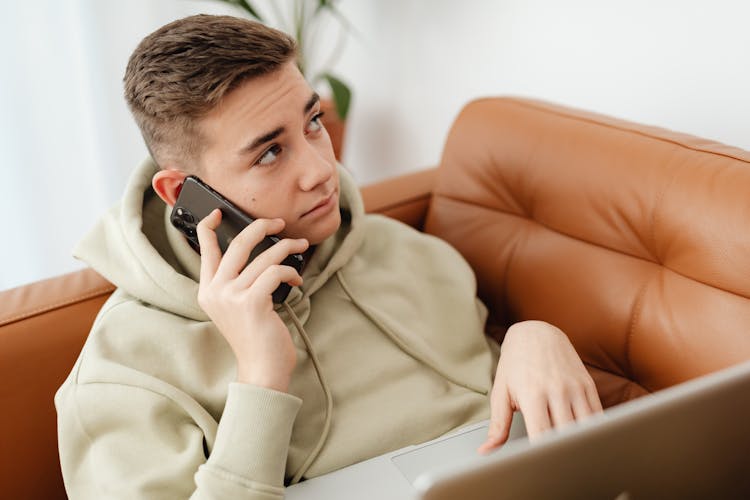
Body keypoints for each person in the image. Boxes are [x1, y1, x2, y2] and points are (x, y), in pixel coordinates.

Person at [55, 14, 602, 499]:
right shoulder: (119, 377)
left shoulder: (412, 255)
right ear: (182, 193)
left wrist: (532, 337)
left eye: (312, 122)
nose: (321, 168)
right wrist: (261, 378)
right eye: (271, 152)